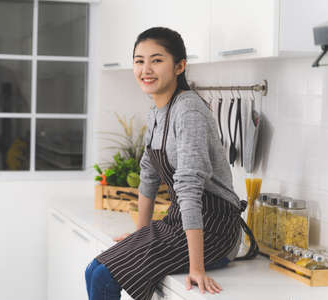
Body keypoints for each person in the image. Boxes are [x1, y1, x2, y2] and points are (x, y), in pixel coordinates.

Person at [85, 27, 258, 300]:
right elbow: (148, 176)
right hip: (178, 221)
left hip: (214, 230)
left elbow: (189, 189)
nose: (146, 69)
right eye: (139, 61)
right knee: (93, 269)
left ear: (179, 66)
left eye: (156, 60)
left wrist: (196, 267)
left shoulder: (188, 110)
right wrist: (139, 237)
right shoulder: (157, 111)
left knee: (105, 275)